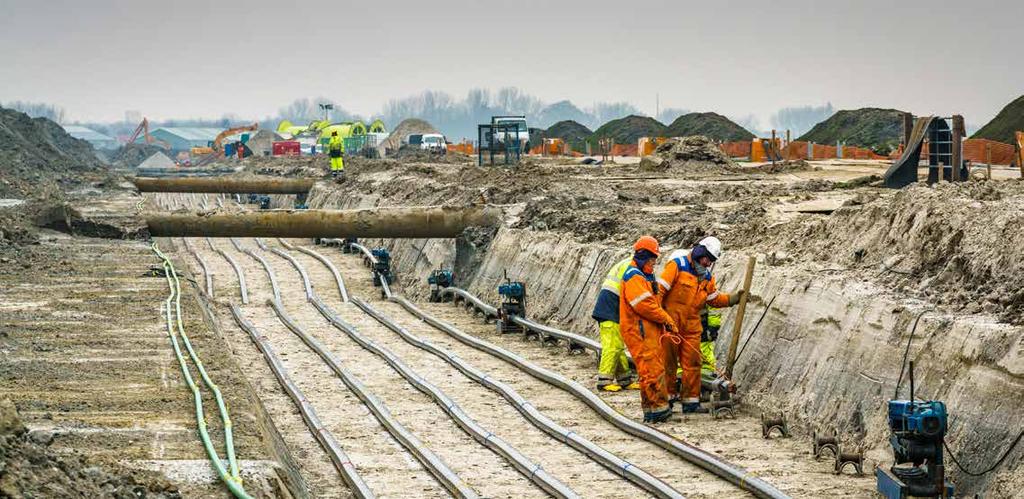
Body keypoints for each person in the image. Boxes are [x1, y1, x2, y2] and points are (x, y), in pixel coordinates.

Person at [657, 236, 743, 413]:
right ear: (699, 252)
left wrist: (732, 299)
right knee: (668, 363)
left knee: (693, 364)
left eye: (712, 260)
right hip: (670, 324)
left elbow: (713, 299)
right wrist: (660, 317)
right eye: (707, 258)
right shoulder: (677, 266)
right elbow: (659, 291)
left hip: (691, 327)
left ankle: (690, 402)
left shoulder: (706, 277)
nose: (708, 263)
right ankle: (667, 399)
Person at [619, 236, 678, 423]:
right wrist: (666, 318)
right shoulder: (634, 276)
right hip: (640, 331)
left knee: (649, 370)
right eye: (653, 259)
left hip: (646, 330)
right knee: (652, 370)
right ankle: (658, 409)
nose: (654, 263)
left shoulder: (643, 275)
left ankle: (652, 409)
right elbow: (645, 305)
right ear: (644, 256)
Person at [591, 256, 639, 392]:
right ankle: (604, 381)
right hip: (610, 309)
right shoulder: (633, 268)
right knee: (612, 346)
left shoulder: (626, 262)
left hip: (610, 307)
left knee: (617, 346)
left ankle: (625, 380)